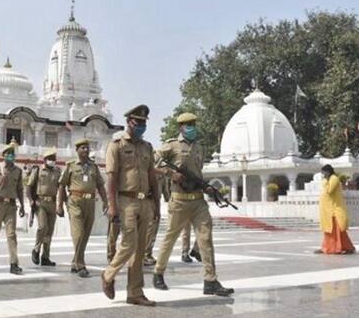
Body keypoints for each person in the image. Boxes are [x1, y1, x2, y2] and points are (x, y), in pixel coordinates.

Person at [153, 112, 233, 297]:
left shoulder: (199, 147)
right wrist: (170, 174)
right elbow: (150, 163)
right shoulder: (171, 145)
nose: (192, 127)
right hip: (179, 201)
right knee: (170, 239)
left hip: (198, 200)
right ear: (181, 127)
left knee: (206, 239)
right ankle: (158, 272)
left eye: (194, 123)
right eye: (188, 124)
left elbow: (198, 174)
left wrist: (207, 188)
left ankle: (210, 280)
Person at [100, 105, 160, 306]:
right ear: (129, 122)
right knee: (129, 243)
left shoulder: (147, 147)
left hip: (145, 201)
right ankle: (108, 275)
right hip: (125, 200)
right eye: (138, 122)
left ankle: (135, 292)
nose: (141, 126)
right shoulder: (116, 145)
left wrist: (157, 205)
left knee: (140, 249)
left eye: (144, 123)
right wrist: (112, 205)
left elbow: (152, 176)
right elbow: (111, 178)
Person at [58, 138, 108, 278]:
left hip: (90, 202)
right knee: (78, 233)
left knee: (85, 235)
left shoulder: (94, 167)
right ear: (77, 150)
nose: (86, 150)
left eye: (87, 148)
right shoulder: (71, 166)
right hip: (75, 201)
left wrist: (105, 201)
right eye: (83, 148)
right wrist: (60, 205)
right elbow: (62, 185)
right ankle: (81, 264)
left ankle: (75, 261)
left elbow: (100, 185)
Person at [0, 143, 25, 274]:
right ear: (3, 156)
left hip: (11, 206)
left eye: (12, 154)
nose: (10, 156)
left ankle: (14, 263)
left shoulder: (18, 171)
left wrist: (23, 205)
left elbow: (20, 189)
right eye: (7, 154)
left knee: (12, 235)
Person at [27, 149, 62, 266]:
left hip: (52, 203)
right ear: (45, 160)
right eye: (50, 159)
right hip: (40, 202)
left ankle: (45, 256)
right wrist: (31, 201)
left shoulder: (58, 171)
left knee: (49, 231)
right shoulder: (38, 170)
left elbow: (61, 188)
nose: (52, 161)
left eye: (54, 159)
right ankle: (36, 249)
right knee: (43, 227)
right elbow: (29, 186)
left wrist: (62, 203)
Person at [315, 164, 355, 255]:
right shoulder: (328, 179)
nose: (323, 174)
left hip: (334, 210)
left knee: (336, 231)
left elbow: (329, 191)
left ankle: (337, 248)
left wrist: (324, 181)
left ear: (328, 171)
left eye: (323, 172)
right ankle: (327, 247)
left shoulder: (334, 178)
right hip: (328, 211)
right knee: (328, 230)